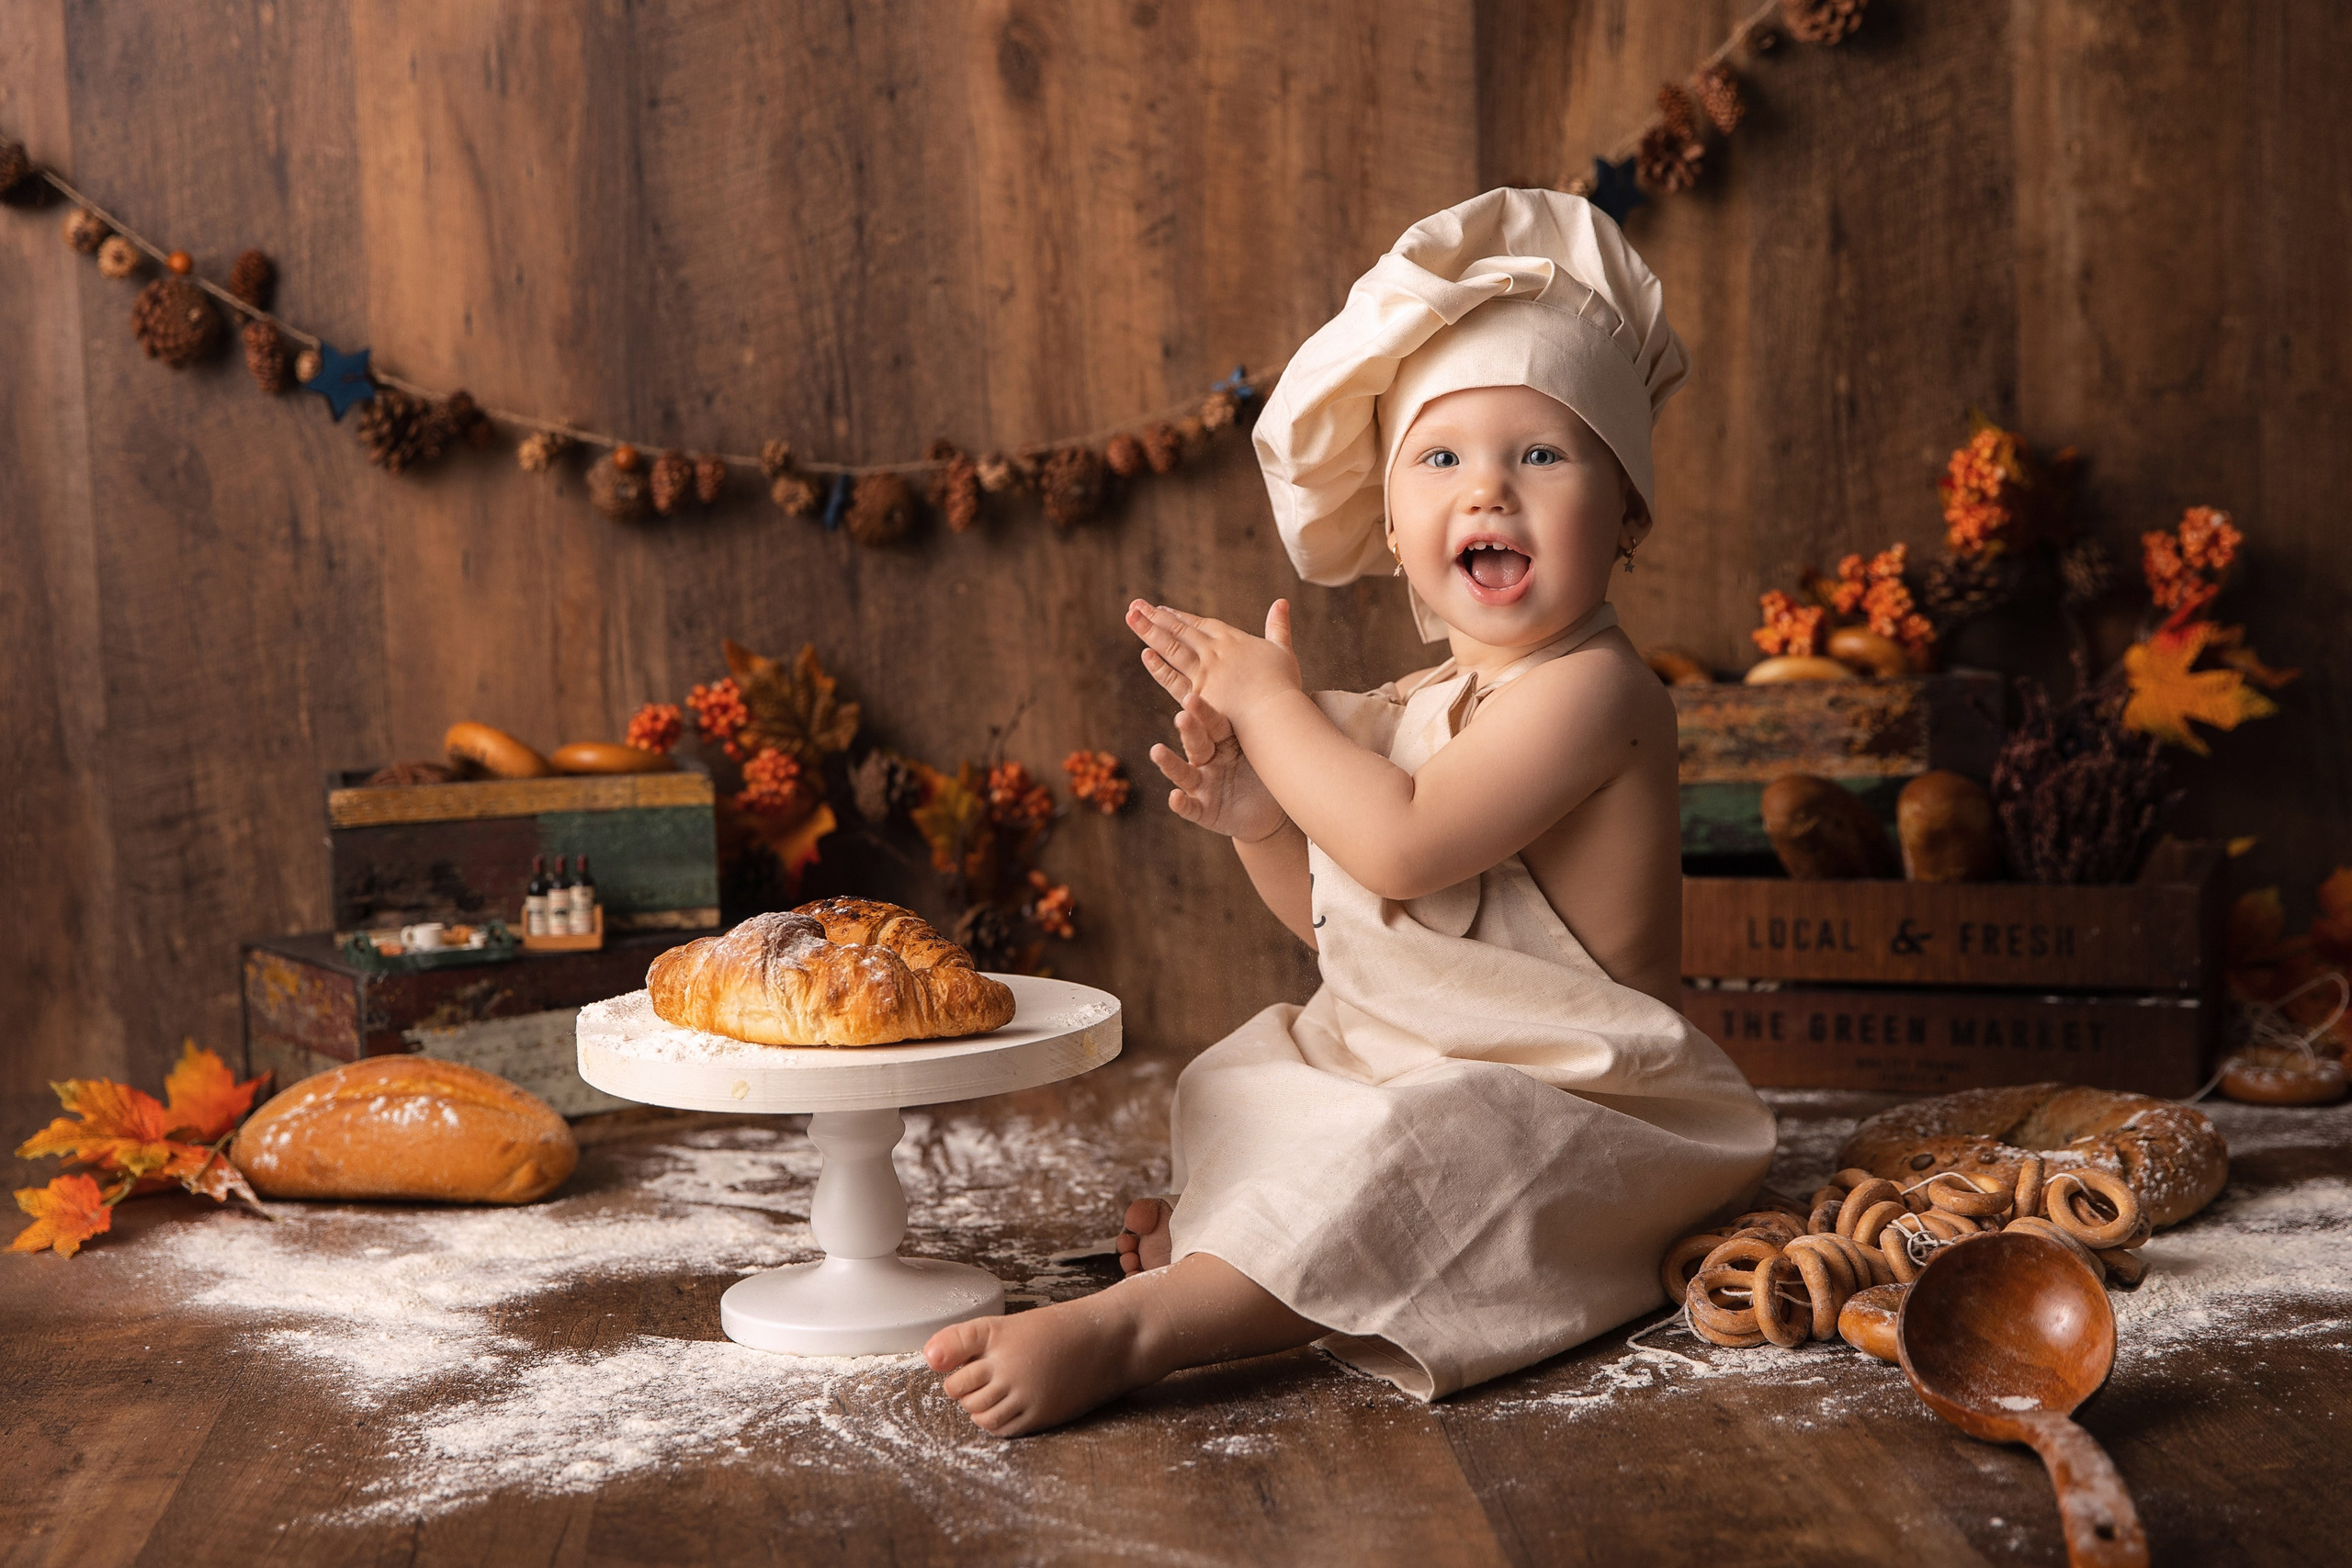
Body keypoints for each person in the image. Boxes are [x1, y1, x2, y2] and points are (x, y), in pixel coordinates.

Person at [926, 188, 1777, 1436]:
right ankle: (1245, 1247)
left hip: (1583, 1108)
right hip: (1412, 1059)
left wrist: (1273, 707)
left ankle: (1148, 1326)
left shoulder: (1597, 692)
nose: (1488, 492)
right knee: (1252, 1074)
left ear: (1628, 510)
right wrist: (1264, 821)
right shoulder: (1407, 709)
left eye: (1542, 455)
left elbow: (1403, 842)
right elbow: (1355, 929)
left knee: (1434, 1150)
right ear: (1390, 520)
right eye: (1442, 459)